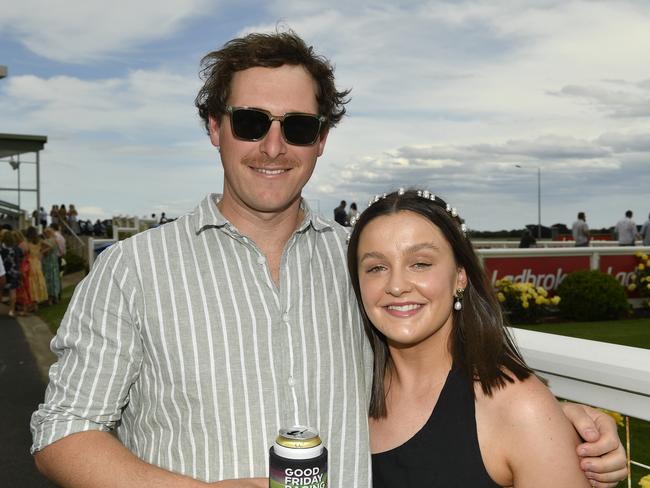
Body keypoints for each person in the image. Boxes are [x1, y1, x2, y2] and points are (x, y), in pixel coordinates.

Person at [31, 30, 626, 488]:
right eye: (250, 121)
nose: (272, 145)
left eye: (297, 126)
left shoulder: (362, 262)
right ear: (214, 127)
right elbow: (62, 431)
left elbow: (432, 364)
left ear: (320, 139)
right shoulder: (134, 270)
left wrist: (546, 415)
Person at [347, 189, 610, 487]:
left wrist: (551, 424)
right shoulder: (348, 391)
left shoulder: (520, 409)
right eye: (376, 268)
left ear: (460, 275)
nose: (396, 285)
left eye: (420, 263)